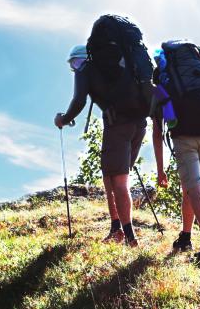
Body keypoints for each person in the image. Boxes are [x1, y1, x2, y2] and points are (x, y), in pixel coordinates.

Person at [54, 44, 147, 247]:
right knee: (109, 178)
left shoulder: (85, 69)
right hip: (139, 124)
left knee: (119, 182)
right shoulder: (119, 67)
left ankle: (129, 237)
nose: (76, 67)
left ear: (84, 59)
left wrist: (64, 119)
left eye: (75, 62)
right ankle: (116, 228)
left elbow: (79, 100)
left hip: (118, 124)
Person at [152, 41, 200, 262]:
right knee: (189, 190)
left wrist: (160, 170)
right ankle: (185, 236)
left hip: (185, 138)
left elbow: (157, 131)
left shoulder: (164, 78)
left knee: (194, 191)